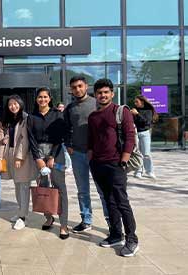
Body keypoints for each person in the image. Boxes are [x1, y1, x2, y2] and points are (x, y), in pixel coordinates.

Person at [88, 78, 139, 257]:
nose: (102, 95)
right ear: (95, 95)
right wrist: (91, 159)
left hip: (116, 163)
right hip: (98, 164)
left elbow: (130, 137)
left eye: (106, 92)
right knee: (109, 201)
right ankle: (116, 234)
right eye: (99, 93)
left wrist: (124, 160)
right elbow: (91, 140)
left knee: (121, 201)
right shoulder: (93, 116)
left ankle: (132, 239)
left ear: (112, 93)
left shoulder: (121, 111)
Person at [64, 76, 109, 233]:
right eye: (74, 87)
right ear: (71, 89)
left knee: (102, 189)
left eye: (80, 86)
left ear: (86, 86)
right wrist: (68, 146)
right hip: (77, 154)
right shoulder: (70, 108)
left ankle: (111, 222)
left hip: (96, 155)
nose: (77, 89)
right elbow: (67, 128)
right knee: (82, 190)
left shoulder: (97, 103)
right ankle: (86, 219)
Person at [27, 87, 69, 239]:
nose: (42, 99)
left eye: (45, 97)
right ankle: (49, 217)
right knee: (43, 187)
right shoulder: (31, 117)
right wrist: (38, 159)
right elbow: (31, 139)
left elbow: (60, 137)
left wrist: (52, 156)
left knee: (60, 188)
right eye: (40, 97)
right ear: (36, 99)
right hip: (38, 155)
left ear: (50, 98)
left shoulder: (58, 115)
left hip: (56, 154)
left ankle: (63, 225)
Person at [1, 95, 36, 230]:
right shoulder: (11, 119)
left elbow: (24, 139)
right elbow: (9, 136)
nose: (13, 106)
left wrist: (20, 157)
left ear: (20, 104)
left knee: (24, 186)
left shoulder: (26, 118)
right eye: (10, 104)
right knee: (17, 185)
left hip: (22, 157)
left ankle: (23, 217)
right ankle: (20, 211)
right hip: (10, 154)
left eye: (15, 104)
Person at [131, 95, 158, 179]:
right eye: (134, 102)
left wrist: (137, 114)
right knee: (138, 153)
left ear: (142, 102)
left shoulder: (148, 110)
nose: (135, 103)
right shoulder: (134, 110)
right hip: (135, 133)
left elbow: (146, 122)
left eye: (137, 102)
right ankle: (138, 171)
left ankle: (150, 171)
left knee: (146, 153)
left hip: (145, 133)